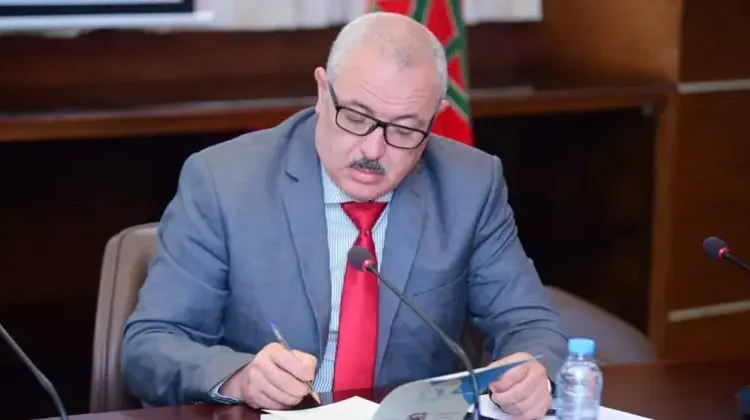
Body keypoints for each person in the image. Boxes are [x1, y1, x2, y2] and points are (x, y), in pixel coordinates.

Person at [122, 11, 567, 420]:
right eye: (356, 116)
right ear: (322, 91)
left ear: (436, 117)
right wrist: (240, 377)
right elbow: (151, 346)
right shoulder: (224, 182)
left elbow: (531, 325)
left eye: (405, 128)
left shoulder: (470, 185)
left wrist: (534, 372)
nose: (373, 149)